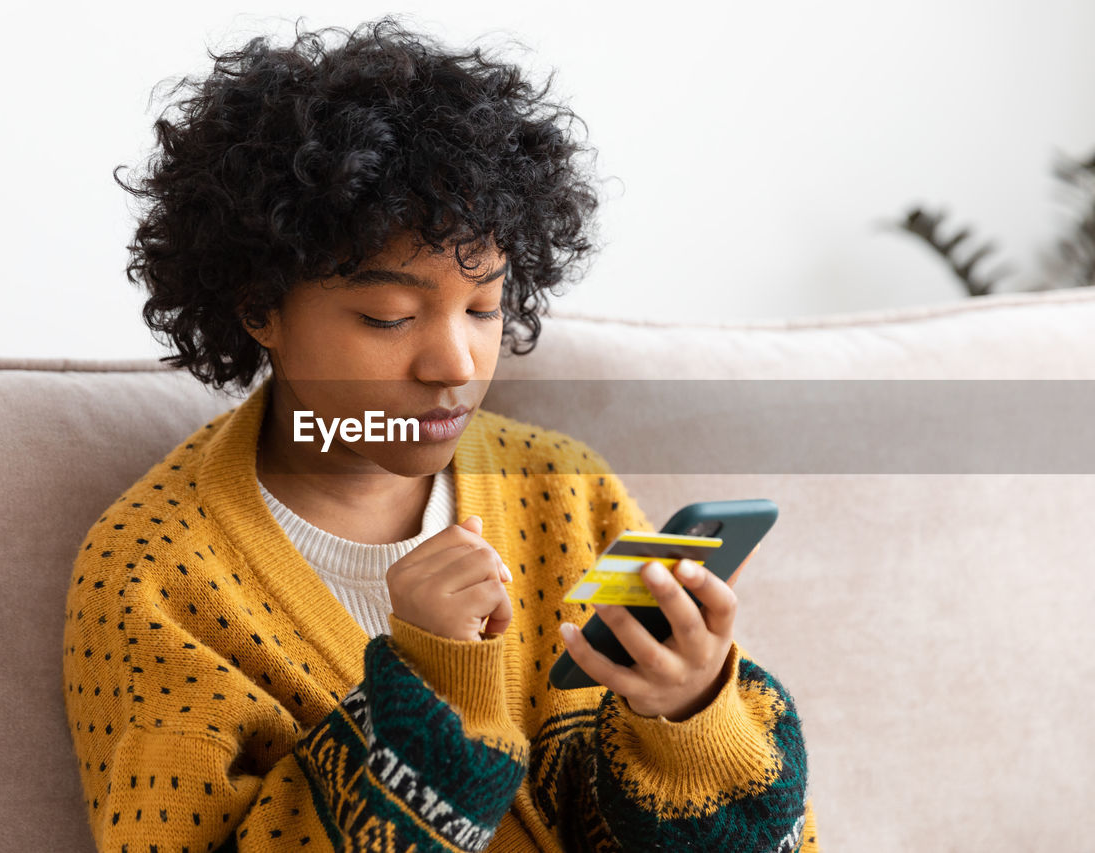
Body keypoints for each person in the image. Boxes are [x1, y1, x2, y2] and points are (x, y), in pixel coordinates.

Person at [63, 16, 817, 852]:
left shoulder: (562, 490)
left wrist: (689, 709)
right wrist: (430, 689)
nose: (455, 360)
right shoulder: (157, 571)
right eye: (389, 317)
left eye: (485, 306)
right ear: (258, 305)